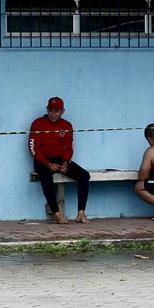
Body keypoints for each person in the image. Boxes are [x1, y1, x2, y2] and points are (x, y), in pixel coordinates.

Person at [28, 96, 90, 224]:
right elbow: (33, 148)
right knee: (46, 179)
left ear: (62, 111)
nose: (53, 113)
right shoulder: (37, 123)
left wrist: (66, 162)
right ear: (47, 109)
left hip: (61, 160)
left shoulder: (67, 125)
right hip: (42, 161)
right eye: (50, 110)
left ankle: (81, 213)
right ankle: (57, 213)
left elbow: (69, 147)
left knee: (84, 176)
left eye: (57, 110)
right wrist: (47, 163)